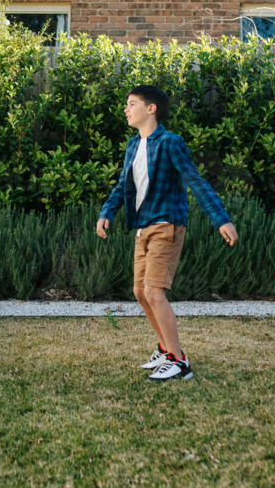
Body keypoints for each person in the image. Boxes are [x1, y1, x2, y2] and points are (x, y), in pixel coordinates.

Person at [97, 85, 238, 381]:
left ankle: (179, 361)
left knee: (154, 291)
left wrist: (221, 219)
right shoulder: (133, 146)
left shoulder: (170, 142)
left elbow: (195, 180)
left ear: (151, 109)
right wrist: (107, 212)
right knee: (139, 291)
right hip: (142, 227)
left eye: (132, 103)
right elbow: (124, 185)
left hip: (166, 224)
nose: (126, 109)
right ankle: (164, 349)